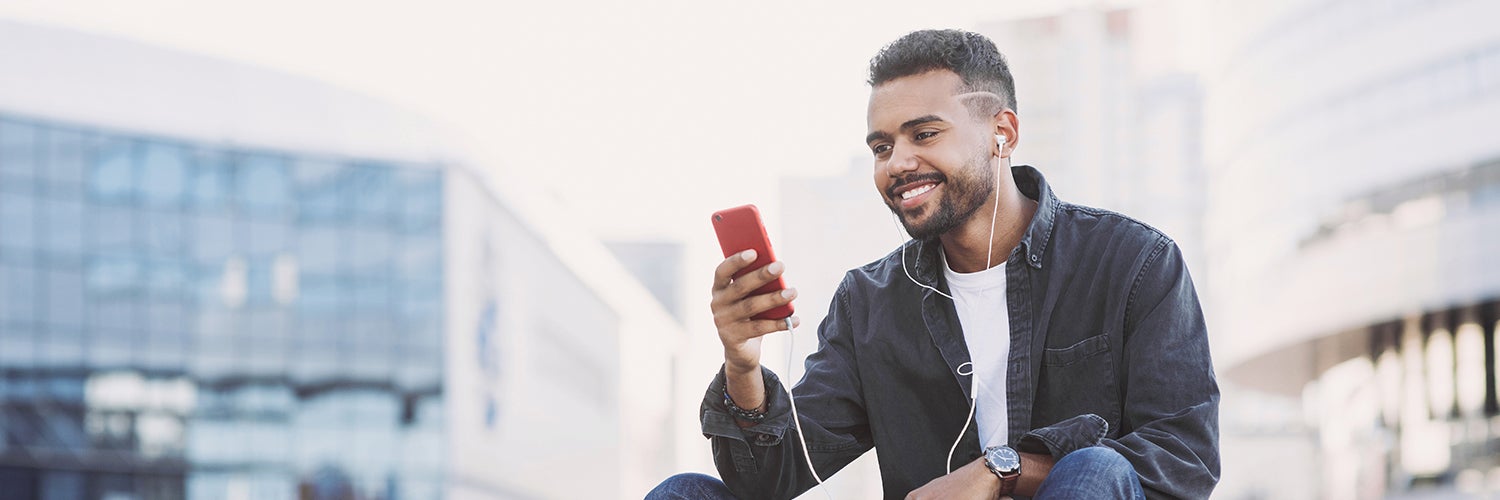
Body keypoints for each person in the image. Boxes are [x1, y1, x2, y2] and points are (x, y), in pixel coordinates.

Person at [648, 29, 1218, 500]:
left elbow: (1184, 458)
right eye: (881, 147)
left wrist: (1003, 469)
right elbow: (768, 482)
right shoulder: (869, 301)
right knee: (684, 494)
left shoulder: (1133, 263)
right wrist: (743, 367)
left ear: (1003, 132)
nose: (897, 163)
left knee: (1095, 472)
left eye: (924, 134)